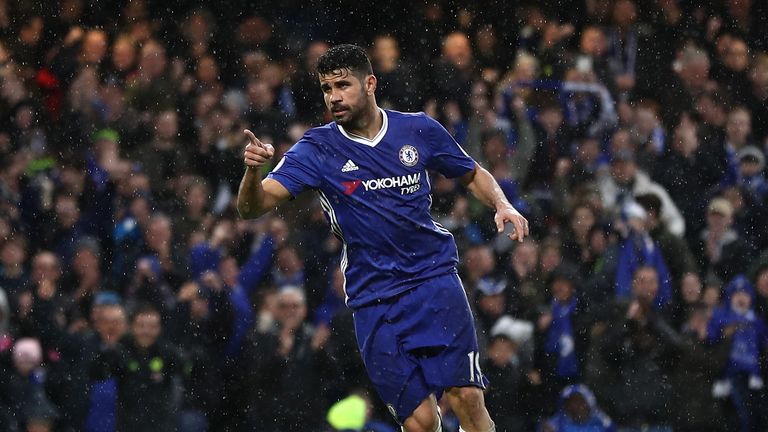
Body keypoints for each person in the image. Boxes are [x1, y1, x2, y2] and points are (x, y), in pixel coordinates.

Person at [237, 44, 530, 432]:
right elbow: (251, 208)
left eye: (343, 85)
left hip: (433, 281)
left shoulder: (418, 128)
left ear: (370, 83)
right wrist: (253, 172)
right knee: (420, 423)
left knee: (467, 398)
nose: (334, 96)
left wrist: (501, 203)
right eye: (326, 88)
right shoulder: (316, 148)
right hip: (374, 297)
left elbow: (471, 172)